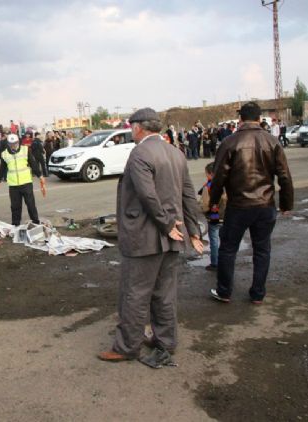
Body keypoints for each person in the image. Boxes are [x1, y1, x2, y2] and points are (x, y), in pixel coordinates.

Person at [98, 108, 202, 368]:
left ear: (138, 128)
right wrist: (194, 231)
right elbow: (189, 195)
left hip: (145, 237)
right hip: (171, 238)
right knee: (164, 293)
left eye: (131, 126)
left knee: (134, 293)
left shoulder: (140, 153)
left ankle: (126, 347)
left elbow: (148, 195)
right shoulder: (175, 153)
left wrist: (167, 225)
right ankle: (166, 341)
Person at [209, 102, 293, 304]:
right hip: (265, 204)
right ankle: (257, 294)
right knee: (262, 249)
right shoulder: (272, 141)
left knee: (228, 249)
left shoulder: (230, 142)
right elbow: (284, 176)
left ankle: (224, 291)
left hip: (238, 205)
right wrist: (286, 204)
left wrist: (213, 202)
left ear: (240, 119)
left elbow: (218, 176)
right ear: (258, 119)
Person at [0, 134, 45, 226]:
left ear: (18, 142)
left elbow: (33, 163)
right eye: (11, 143)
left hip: (26, 183)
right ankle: (15, 225)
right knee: (15, 207)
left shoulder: (25, 150)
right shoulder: (5, 154)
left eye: (14, 143)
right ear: (8, 143)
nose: (13, 145)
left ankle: (35, 222)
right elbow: (2, 168)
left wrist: (40, 175)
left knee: (30, 204)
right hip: (13, 185)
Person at [199, 163, 227, 271]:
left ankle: (215, 263)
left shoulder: (208, 187)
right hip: (226, 217)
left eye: (206, 174)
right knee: (225, 241)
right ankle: (226, 261)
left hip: (213, 218)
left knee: (214, 242)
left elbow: (205, 204)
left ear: (210, 174)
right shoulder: (226, 184)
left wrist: (204, 210)